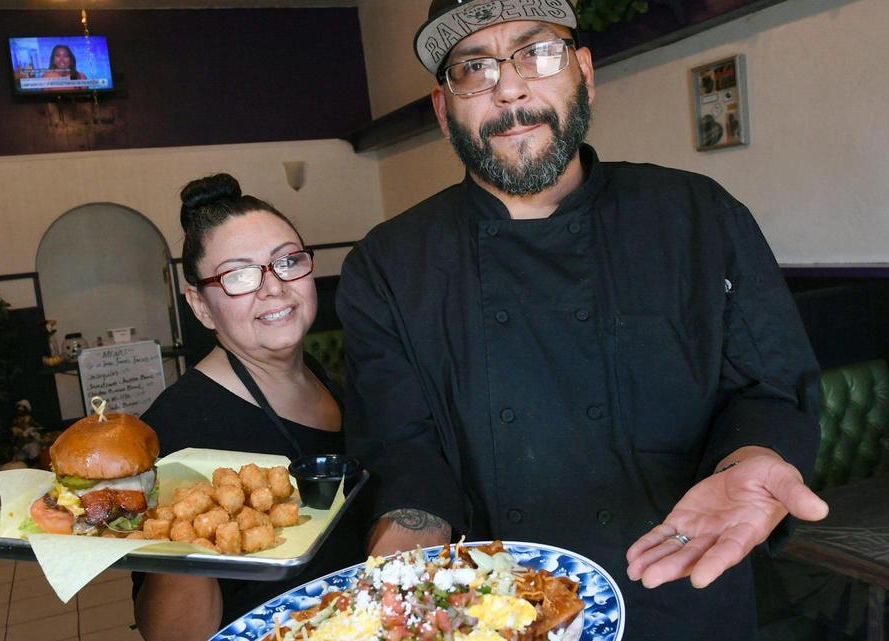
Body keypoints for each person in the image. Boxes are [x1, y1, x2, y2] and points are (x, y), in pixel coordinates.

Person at [335, 2, 829, 640]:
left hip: (683, 588)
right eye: (473, 68)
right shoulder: (390, 264)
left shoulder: (697, 217)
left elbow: (769, 385)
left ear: (585, 73)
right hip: (496, 613)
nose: (509, 88)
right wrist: (408, 560)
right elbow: (403, 448)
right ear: (442, 108)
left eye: (537, 53)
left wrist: (753, 457)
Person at [131, 174, 364, 641]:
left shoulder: (322, 373)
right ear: (200, 306)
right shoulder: (176, 429)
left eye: (287, 260)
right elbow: (172, 635)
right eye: (239, 275)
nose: (273, 287)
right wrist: (185, 536)